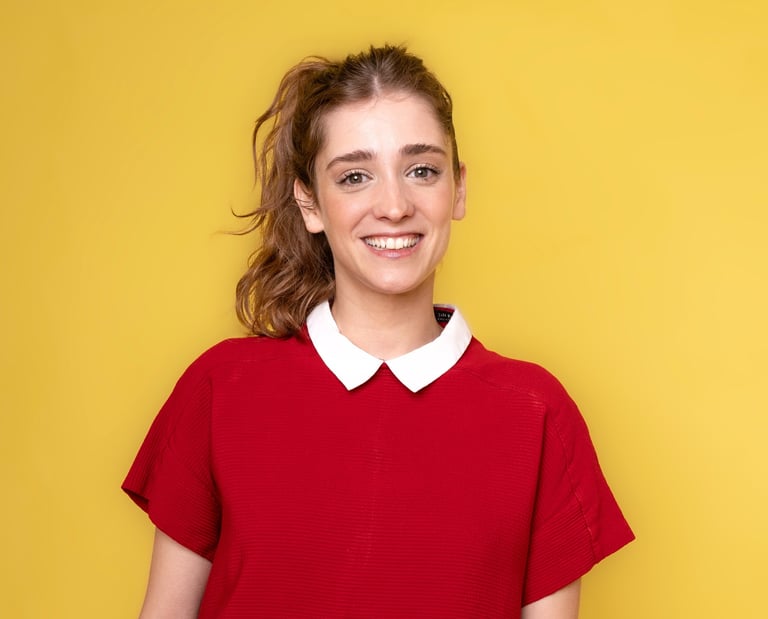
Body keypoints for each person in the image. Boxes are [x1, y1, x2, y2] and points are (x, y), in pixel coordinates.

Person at [123, 45, 634, 618]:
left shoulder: (537, 413)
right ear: (309, 203)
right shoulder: (220, 390)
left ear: (458, 189)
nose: (393, 206)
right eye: (355, 177)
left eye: (422, 170)